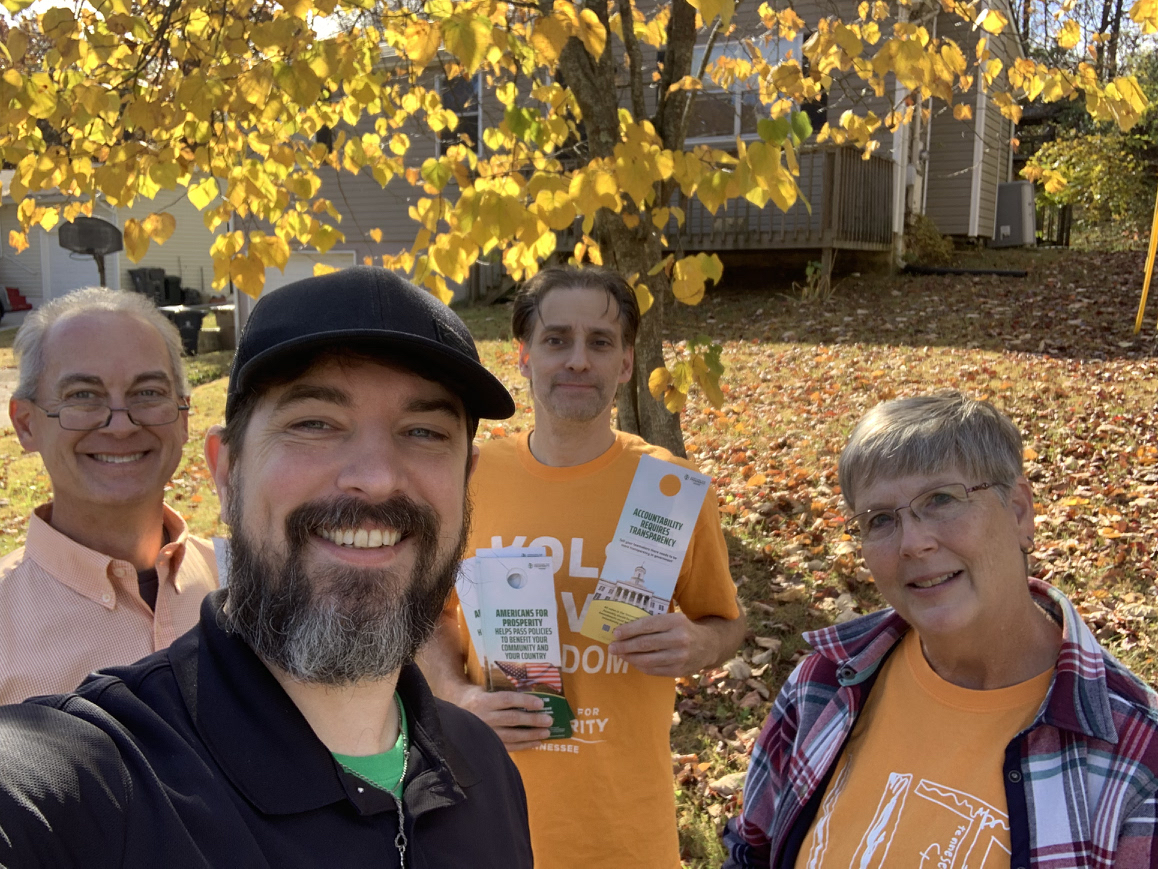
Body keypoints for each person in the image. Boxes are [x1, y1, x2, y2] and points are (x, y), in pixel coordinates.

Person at [0, 267, 534, 868]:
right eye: (314, 424)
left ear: (466, 479)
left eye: (424, 431)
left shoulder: (486, 772)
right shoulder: (97, 780)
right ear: (227, 473)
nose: (378, 476)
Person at [723, 392, 1158, 868]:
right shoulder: (824, 685)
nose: (914, 543)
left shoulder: (1134, 756)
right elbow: (751, 854)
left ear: (1019, 511)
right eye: (881, 520)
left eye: (941, 500)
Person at [421, 265, 746, 868]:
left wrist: (698, 643)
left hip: (622, 829)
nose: (577, 360)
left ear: (626, 362)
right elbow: (425, 617)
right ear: (522, 356)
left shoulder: (670, 489)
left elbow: (725, 624)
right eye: (556, 340)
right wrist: (457, 694)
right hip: (485, 817)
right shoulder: (467, 476)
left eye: (600, 342)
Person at [0, 288, 218, 704]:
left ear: (184, 416)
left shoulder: (247, 586)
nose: (120, 426)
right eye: (83, 395)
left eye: (148, 392)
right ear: (26, 424)